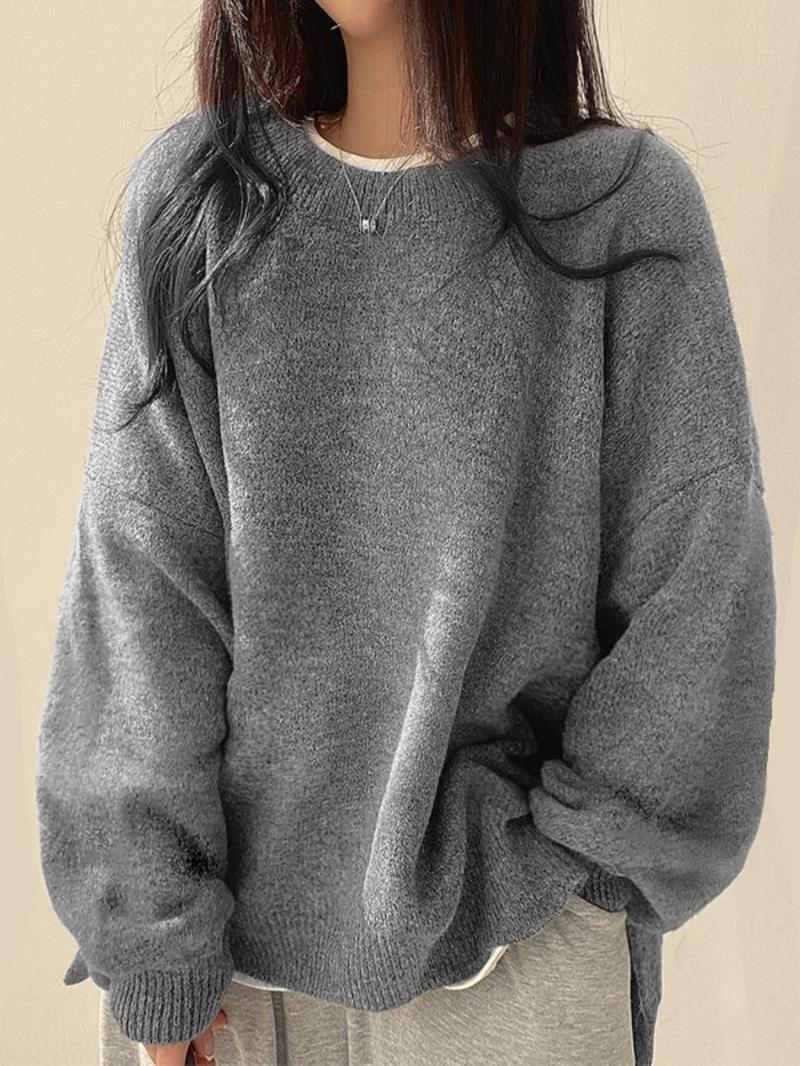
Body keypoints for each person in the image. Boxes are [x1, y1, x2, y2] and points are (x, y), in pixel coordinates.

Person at [34, 2, 777, 1065]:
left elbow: (697, 586)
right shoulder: (204, 199)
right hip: (230, 992)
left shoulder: (615, 204)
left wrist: (588, 877)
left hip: (519, 962)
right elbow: (139, 593)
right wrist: (156, 943)